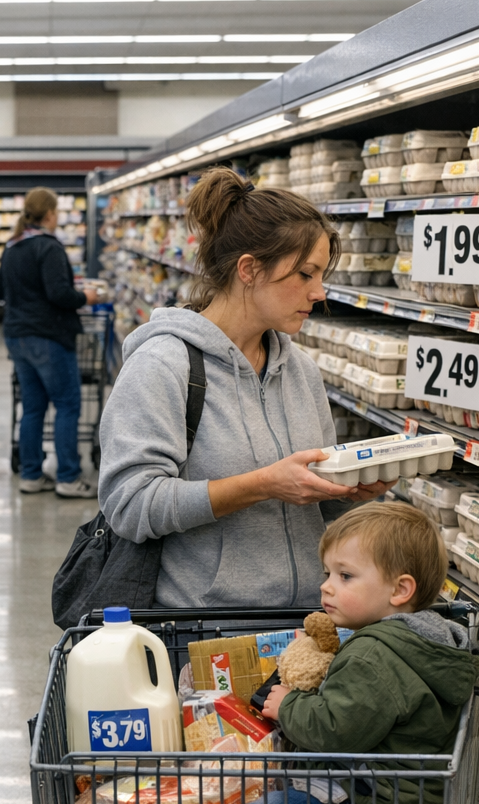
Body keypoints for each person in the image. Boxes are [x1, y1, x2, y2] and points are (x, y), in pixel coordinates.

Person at [97, 168, 392, 609]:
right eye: (306, 274)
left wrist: (347, 490)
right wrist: (263, 484)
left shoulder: (301, 371)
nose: (319, 292)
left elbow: (317, 509)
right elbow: (131, 504)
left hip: (307, 623)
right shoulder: (163, 366)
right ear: (250, 269)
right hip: (206, 632)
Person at [226, 502, 479, 804]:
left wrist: (286, 704)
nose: (326, 587)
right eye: (327, 573)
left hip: (374, 802)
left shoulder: (373, 654)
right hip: (405, 792)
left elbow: (334, 730)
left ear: (399, 590)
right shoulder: (423, 637)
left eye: (344, 576)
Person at [0, 187, 98, 499]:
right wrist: (86, 296)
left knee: (32, 407)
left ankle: (31, 474)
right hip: (48, 336)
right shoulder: (49, 248)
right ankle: (68, 476)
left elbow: (4, 292)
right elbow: (59, 294)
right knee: (68, 404)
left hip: (17, 335)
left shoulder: (13, 246)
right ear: (51, 214)